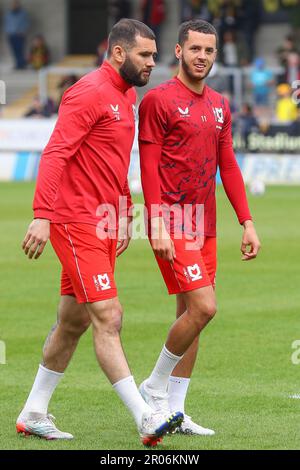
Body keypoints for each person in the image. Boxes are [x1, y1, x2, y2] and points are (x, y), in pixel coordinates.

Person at [16, 18, 183, 447]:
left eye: (153, 55)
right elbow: (56, 152)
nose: (152, 63)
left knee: (71, 322)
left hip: (103, 221)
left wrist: (124, 210)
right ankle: (146, 416)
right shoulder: (88, 91)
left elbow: (111, 161)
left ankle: (34, 411)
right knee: (109, 316)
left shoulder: (126, 96)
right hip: (75, 222)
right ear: (119, 53)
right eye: (145, 55)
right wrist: (42, 213)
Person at [138, 19, 261, 435]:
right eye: (195, 49)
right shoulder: (158, 101)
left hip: (206, 223)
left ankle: (175, 410)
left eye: (209, 51)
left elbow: (228, 166)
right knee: (206, 307)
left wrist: (246, 222)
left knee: (193, 314)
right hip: (173, 221)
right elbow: (149, 166)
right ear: (178, 51)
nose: (203, 56)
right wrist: (154, 221)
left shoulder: (220, 105)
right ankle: (153, 387)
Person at [3, 0, 29, 69]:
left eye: (16, 4)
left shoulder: (23, 13)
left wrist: (22, 31)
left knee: (20, 50)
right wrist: (7, 32)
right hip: (11, 34)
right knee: (14, 50)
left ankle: (22, 64)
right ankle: (17, 64)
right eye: (13, 5)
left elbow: (26, 23)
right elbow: (6, 23)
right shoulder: (8, 14)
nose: (14, 6)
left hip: (19, 35)